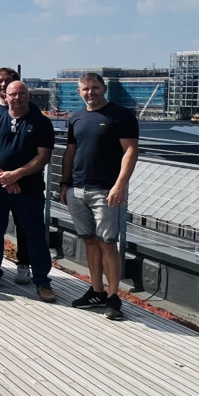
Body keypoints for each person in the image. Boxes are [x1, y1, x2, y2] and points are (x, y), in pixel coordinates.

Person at [61, 73, 139, 320]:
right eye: (85, 88)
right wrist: (64, 184)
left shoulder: (121, 115)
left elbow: (130, 151)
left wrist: (120, 185)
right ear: (79, 91)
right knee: (89, 241)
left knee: (108, 242)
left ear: (104, 88)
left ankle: (114, 297)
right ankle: (96, 291)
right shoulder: (76, 118)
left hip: (106, 190)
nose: (90, 92)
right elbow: (70, 152)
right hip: (77, 188)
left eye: (95, 87)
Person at [0, 81, 57, 302]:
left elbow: (43, 156)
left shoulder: (41, 122)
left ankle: (42, 282)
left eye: (22, 94)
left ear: (28, 96)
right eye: (13, 94)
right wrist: (4, 176)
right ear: (5, 95)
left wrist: (17, 174)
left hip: (28, 189)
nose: (18, 98)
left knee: (35, 234)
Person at [0, 67, 33, 283]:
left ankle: (24, 264)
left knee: (25, 226)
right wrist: (1, 175)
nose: (3, 84)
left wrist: (15, 176)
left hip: (24, 181)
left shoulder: (31, 111)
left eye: (8, 81)